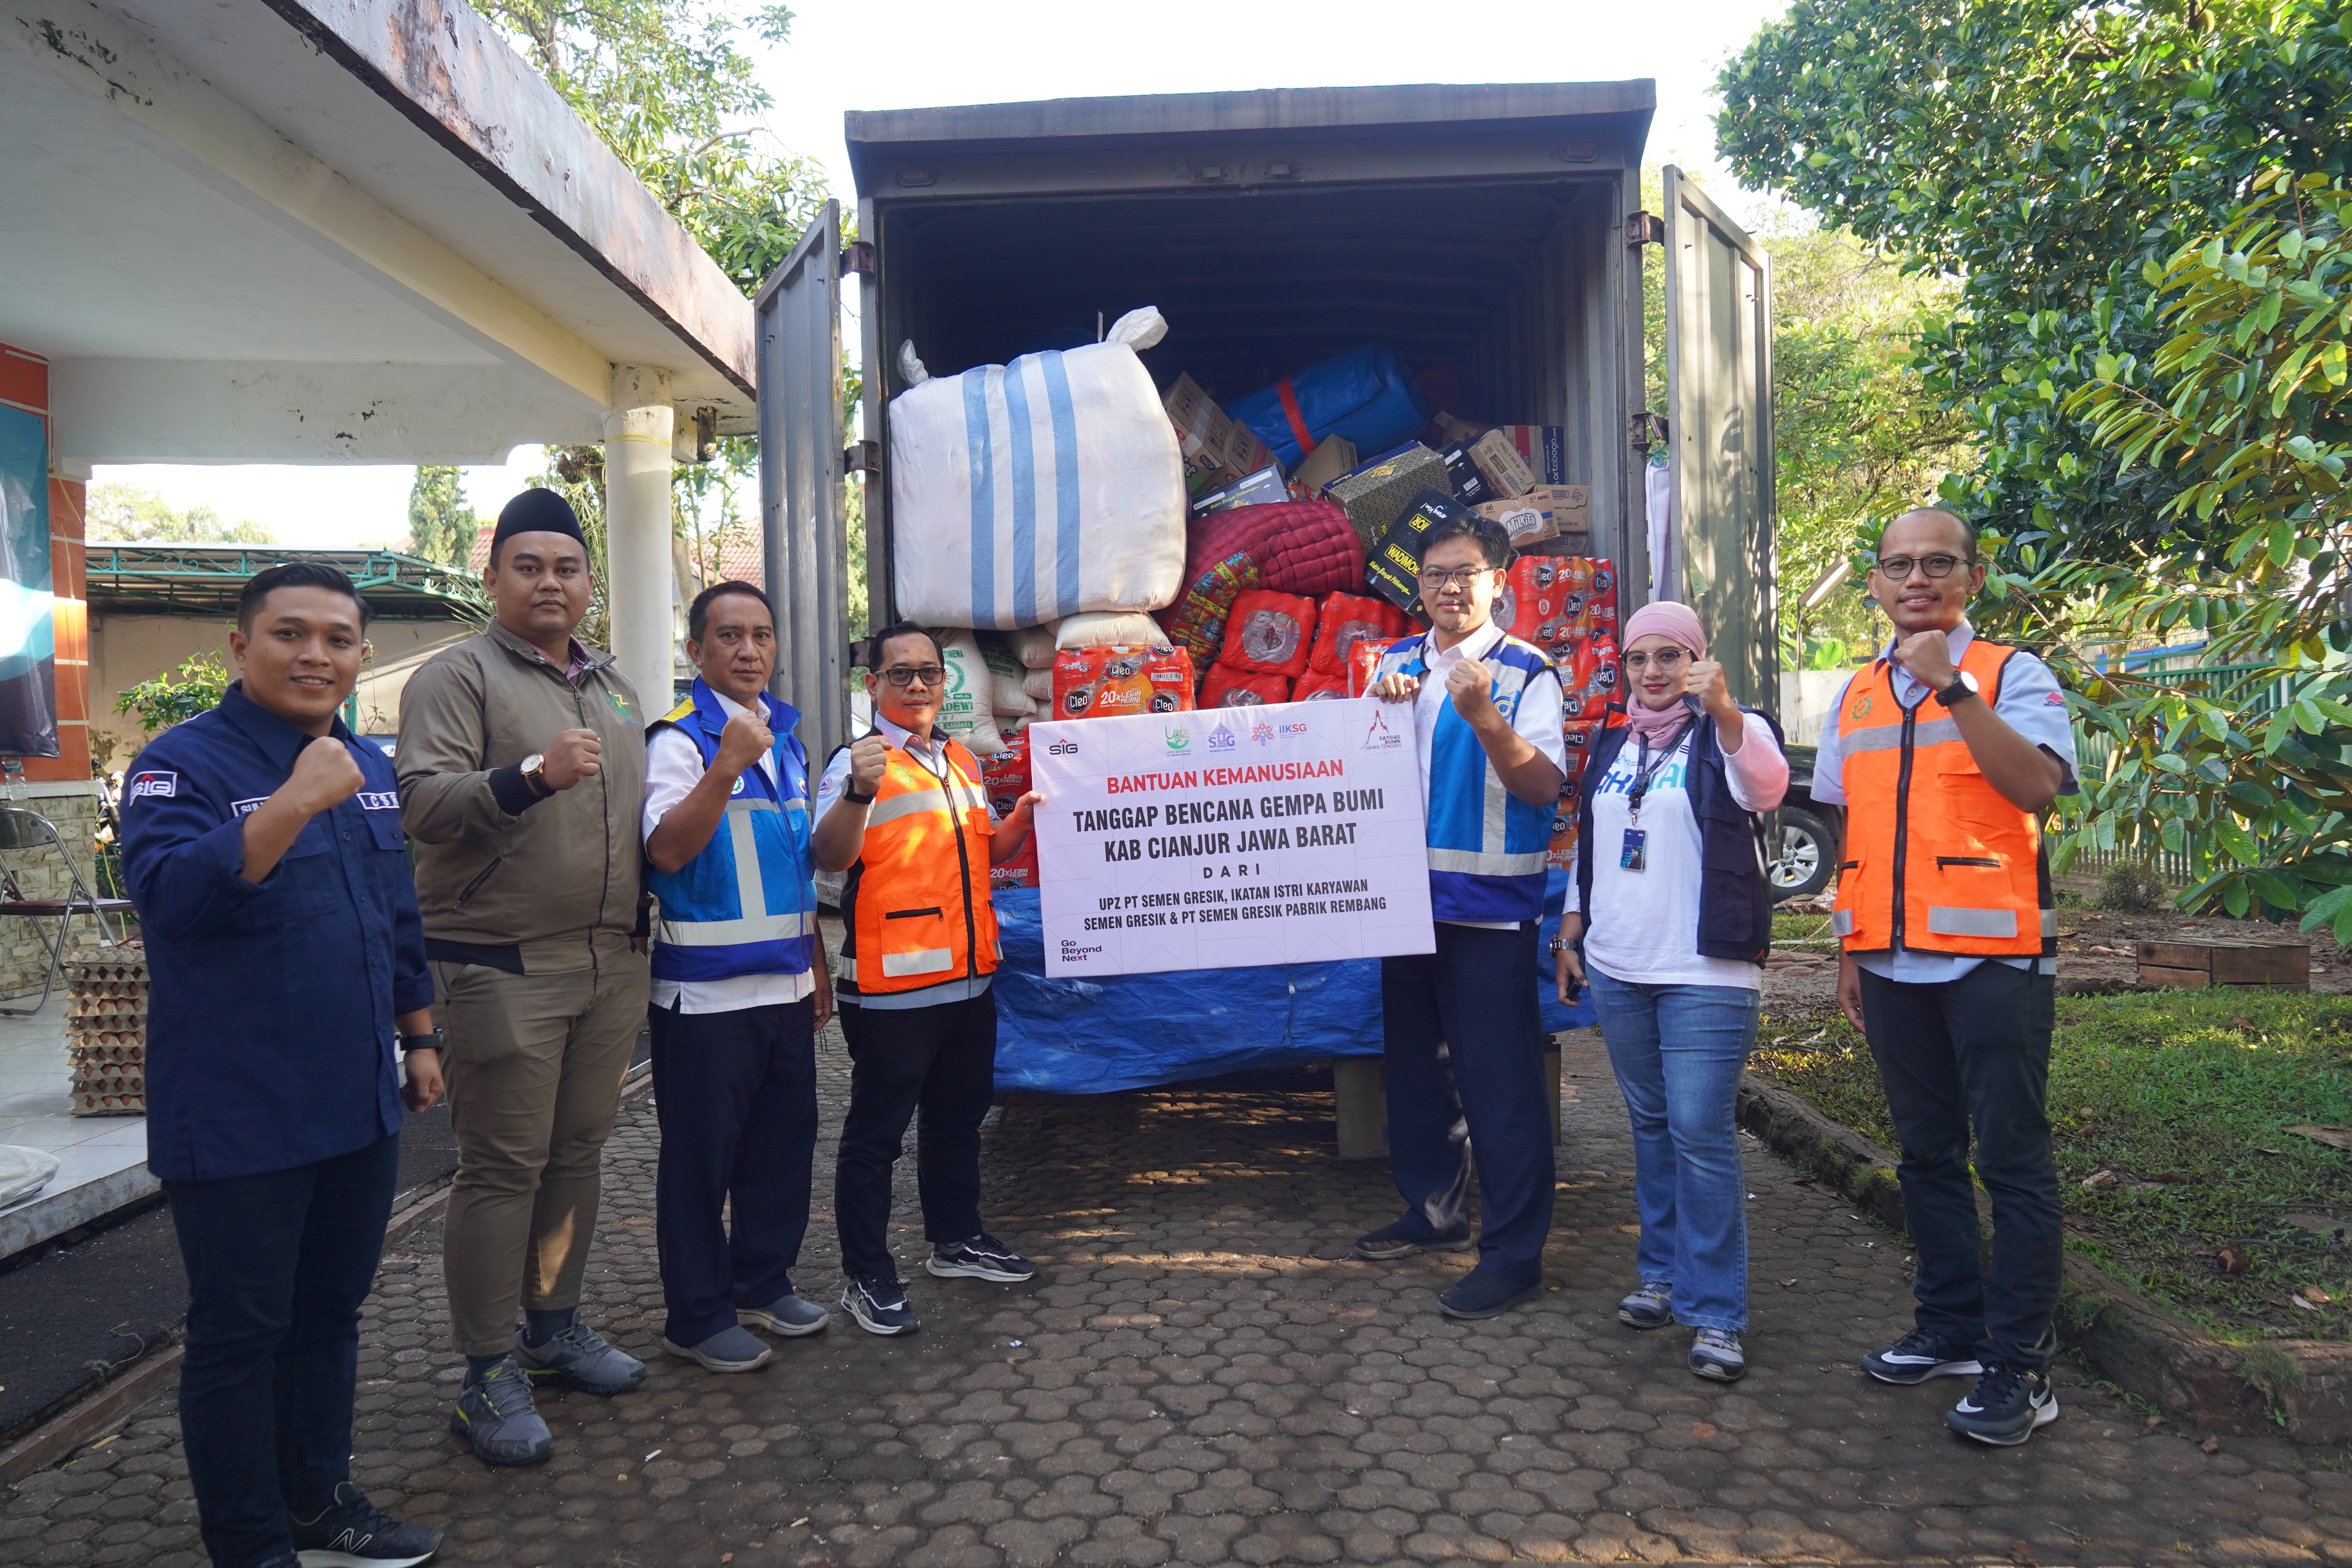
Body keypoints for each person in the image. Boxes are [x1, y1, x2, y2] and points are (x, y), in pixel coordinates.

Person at [122, 562, 444, 1568]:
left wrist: (421, 1034)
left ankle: (320, 1500)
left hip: (356, 1098)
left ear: (360, 655)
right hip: (238, 1113)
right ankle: (251, 1543)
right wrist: (294, 802)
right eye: (290, 634)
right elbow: (172, 902)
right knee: (238, 1336)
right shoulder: (181, 766)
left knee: (330, 1316)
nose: (316, 654)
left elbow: (394, 916)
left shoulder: (368, 765)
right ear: (239, 647)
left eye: (339, 638)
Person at [396, 488, 652, 1466]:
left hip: (609, 959)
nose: (551, 581)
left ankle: (554, 1332)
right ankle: (486, 1369)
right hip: (500, 962)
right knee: (503, 1165)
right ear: (494, 574)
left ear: (588, 581)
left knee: (580, 1151)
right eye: (530, 565)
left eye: (568, 566)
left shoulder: (615, 683)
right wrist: (528, 777)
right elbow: (419, 800)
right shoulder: (456, 676)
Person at [1818, 506, 2076, 1446]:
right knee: (1925, 1154)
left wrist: (1957, 688)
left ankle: (2022, 1364)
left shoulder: (2015, 674)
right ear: (1877, 583)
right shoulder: (1853, 694)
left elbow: (2039, 788)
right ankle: (1952, 1327)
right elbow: (1857, 833)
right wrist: (1850, 952)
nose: (1917, 578)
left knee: (2012, 1160)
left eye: (1938, 562)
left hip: (1994, 959)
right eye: (1898, 565)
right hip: (1889, 961)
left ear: (1972, 576)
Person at [1555, 601, 1788, 1381]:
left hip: (1705, 973)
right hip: (1620, 965)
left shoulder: (1733, 729)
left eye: (1669, 656)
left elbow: (1766, 786)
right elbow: (1592, 841)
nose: (1652, 672)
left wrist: (1723, 708)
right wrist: (1573, 927)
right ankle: (1660, 1273)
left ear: (1696, 661)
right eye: (1639, 658)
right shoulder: (1614, 741)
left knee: (1699, 1130)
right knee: (1650, 1126)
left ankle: (1717, 1309)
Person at [1356, 512, 1567, 1320]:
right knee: (1416, 1072)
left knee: (1499, 1084)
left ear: (1500, 581)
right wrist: (1373, 708)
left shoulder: (1526, 672)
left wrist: (1484, 715)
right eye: (1437, 573)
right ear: (1419, 585)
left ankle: (1515, 1253)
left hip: (1484, 913)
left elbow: (1544, 788)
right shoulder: (1393, 665)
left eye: (1467, 572)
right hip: (1402, 906)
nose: (1451, 586)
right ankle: (1434, 1211)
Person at [811, 620, 1043, 1335]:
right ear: (873, 685)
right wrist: (856, 791)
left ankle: (956, 1240)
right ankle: (868, 1276)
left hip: (969, 981)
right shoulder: (858, 762)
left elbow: (984, 849)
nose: (917, 685)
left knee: (957, 1123)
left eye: (929, 674)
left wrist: (1024, 819)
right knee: (877, 1137)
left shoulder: (962, 762)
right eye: (901, 674)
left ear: (946, 684)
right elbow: (828, 857)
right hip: (892, 989)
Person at [642, 581, 833, 1371]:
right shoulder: (679, 742)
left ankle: (762, 1277)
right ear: (697, 651)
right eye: (728, 635)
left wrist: (816, 961)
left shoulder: (786, 740)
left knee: (782, 1146)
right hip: (705, 997)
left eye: (761, 634)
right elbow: (667, 852)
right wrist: (724, 766)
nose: (748, 650)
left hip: (785, 989)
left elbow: (795, 870)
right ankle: (695, 1314)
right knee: (700, 1160)